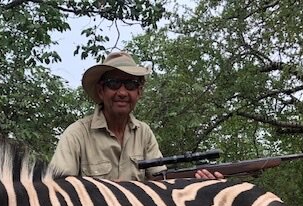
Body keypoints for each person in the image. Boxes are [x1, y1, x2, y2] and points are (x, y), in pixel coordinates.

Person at [50, 51, 222, 181]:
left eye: (131, 84)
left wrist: (198, 182)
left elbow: (161, 182)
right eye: (114, 84)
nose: (123, 92)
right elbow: (58, 189)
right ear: (101, 91)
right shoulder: (77, 134)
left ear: (139, 92)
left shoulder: (144, 133)